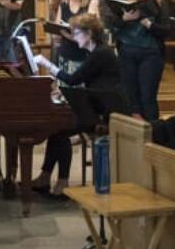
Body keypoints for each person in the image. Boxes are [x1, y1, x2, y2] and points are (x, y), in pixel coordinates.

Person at [32, 13, 121, 198]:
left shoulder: (100, 53)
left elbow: (73, 80)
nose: (74, 37)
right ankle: (46, 177)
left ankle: (61, 181)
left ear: (88, 34)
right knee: (58, 130)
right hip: (97, 105)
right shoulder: (96, 52)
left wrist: (46, 63)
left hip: (104, 112)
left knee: (60, 130)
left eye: (77, 33)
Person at [111, 0, 169, 120]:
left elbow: (166, 31)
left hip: (150, 54)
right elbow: (112, 24)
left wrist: (150, 25)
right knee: (131, 98)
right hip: (127, 53)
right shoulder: (126, 1)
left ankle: (153, 135)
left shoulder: (159, 3)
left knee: (147, 97)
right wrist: (124, 19)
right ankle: (134, 137)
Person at [52, 0, 98, 76]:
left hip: (84, 56)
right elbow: (56, 34)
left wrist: (68, 35)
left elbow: (90, 34)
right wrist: (56, 32)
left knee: (81, 90)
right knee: (64, 89)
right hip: (65, 55)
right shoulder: (63, 5)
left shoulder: (91, 4)